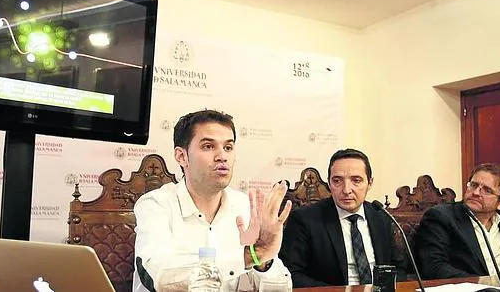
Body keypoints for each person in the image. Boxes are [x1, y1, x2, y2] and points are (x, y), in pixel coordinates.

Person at [132, 109, 293, 291]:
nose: (222, 156)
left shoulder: (244, 206)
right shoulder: (156, 204)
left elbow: (280, 288)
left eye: (228, 147)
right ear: (181, 156)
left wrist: (264, 261)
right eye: (208, 146)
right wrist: (249, 256)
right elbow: (160, 277)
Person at [279, 148, 406, 287]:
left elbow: (399, 268)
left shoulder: (381, 217)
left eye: (356, 180)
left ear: (370, 183)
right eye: (337, 181)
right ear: (329, 184)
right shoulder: (305, 219)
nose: (346, 190)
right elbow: (290, 273)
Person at [414, 163, 500, 279]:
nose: (476, 193)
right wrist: (482, 283)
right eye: (473, 185)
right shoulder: (441, 217)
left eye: (487, 190)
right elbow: (434, 267)